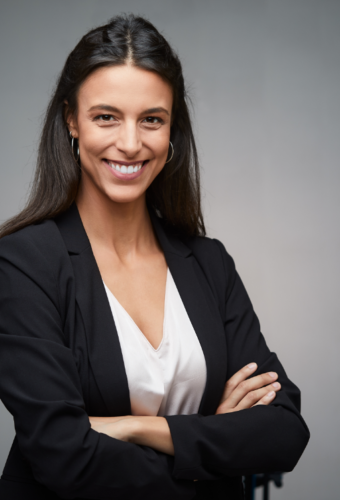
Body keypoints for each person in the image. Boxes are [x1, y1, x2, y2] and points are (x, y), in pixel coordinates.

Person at [0, 13, 309, 500]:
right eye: (106, 116)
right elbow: (64, 457)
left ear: (171, 132)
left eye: (151, 119)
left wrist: (133, 428)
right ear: (70, 119)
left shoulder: (208, 262)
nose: (130, 142)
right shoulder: (23, 263)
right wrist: (211, 445)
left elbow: (285, 429)